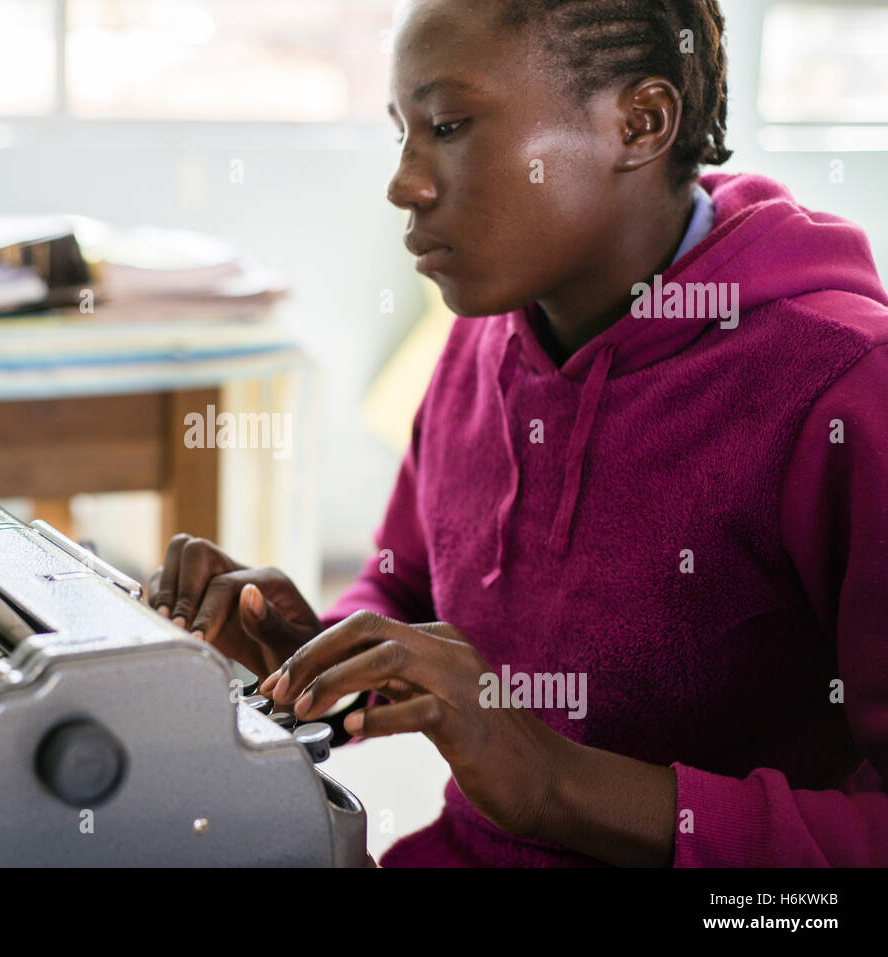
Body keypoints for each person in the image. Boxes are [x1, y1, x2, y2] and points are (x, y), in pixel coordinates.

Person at [148, 0, 888, 867]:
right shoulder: (479, 339)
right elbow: (410, 587)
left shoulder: (843, 387)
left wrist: (554, 783)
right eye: (403, 134)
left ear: (638, 124)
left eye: (450, 126)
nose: (405, 183)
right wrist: (315, 656)